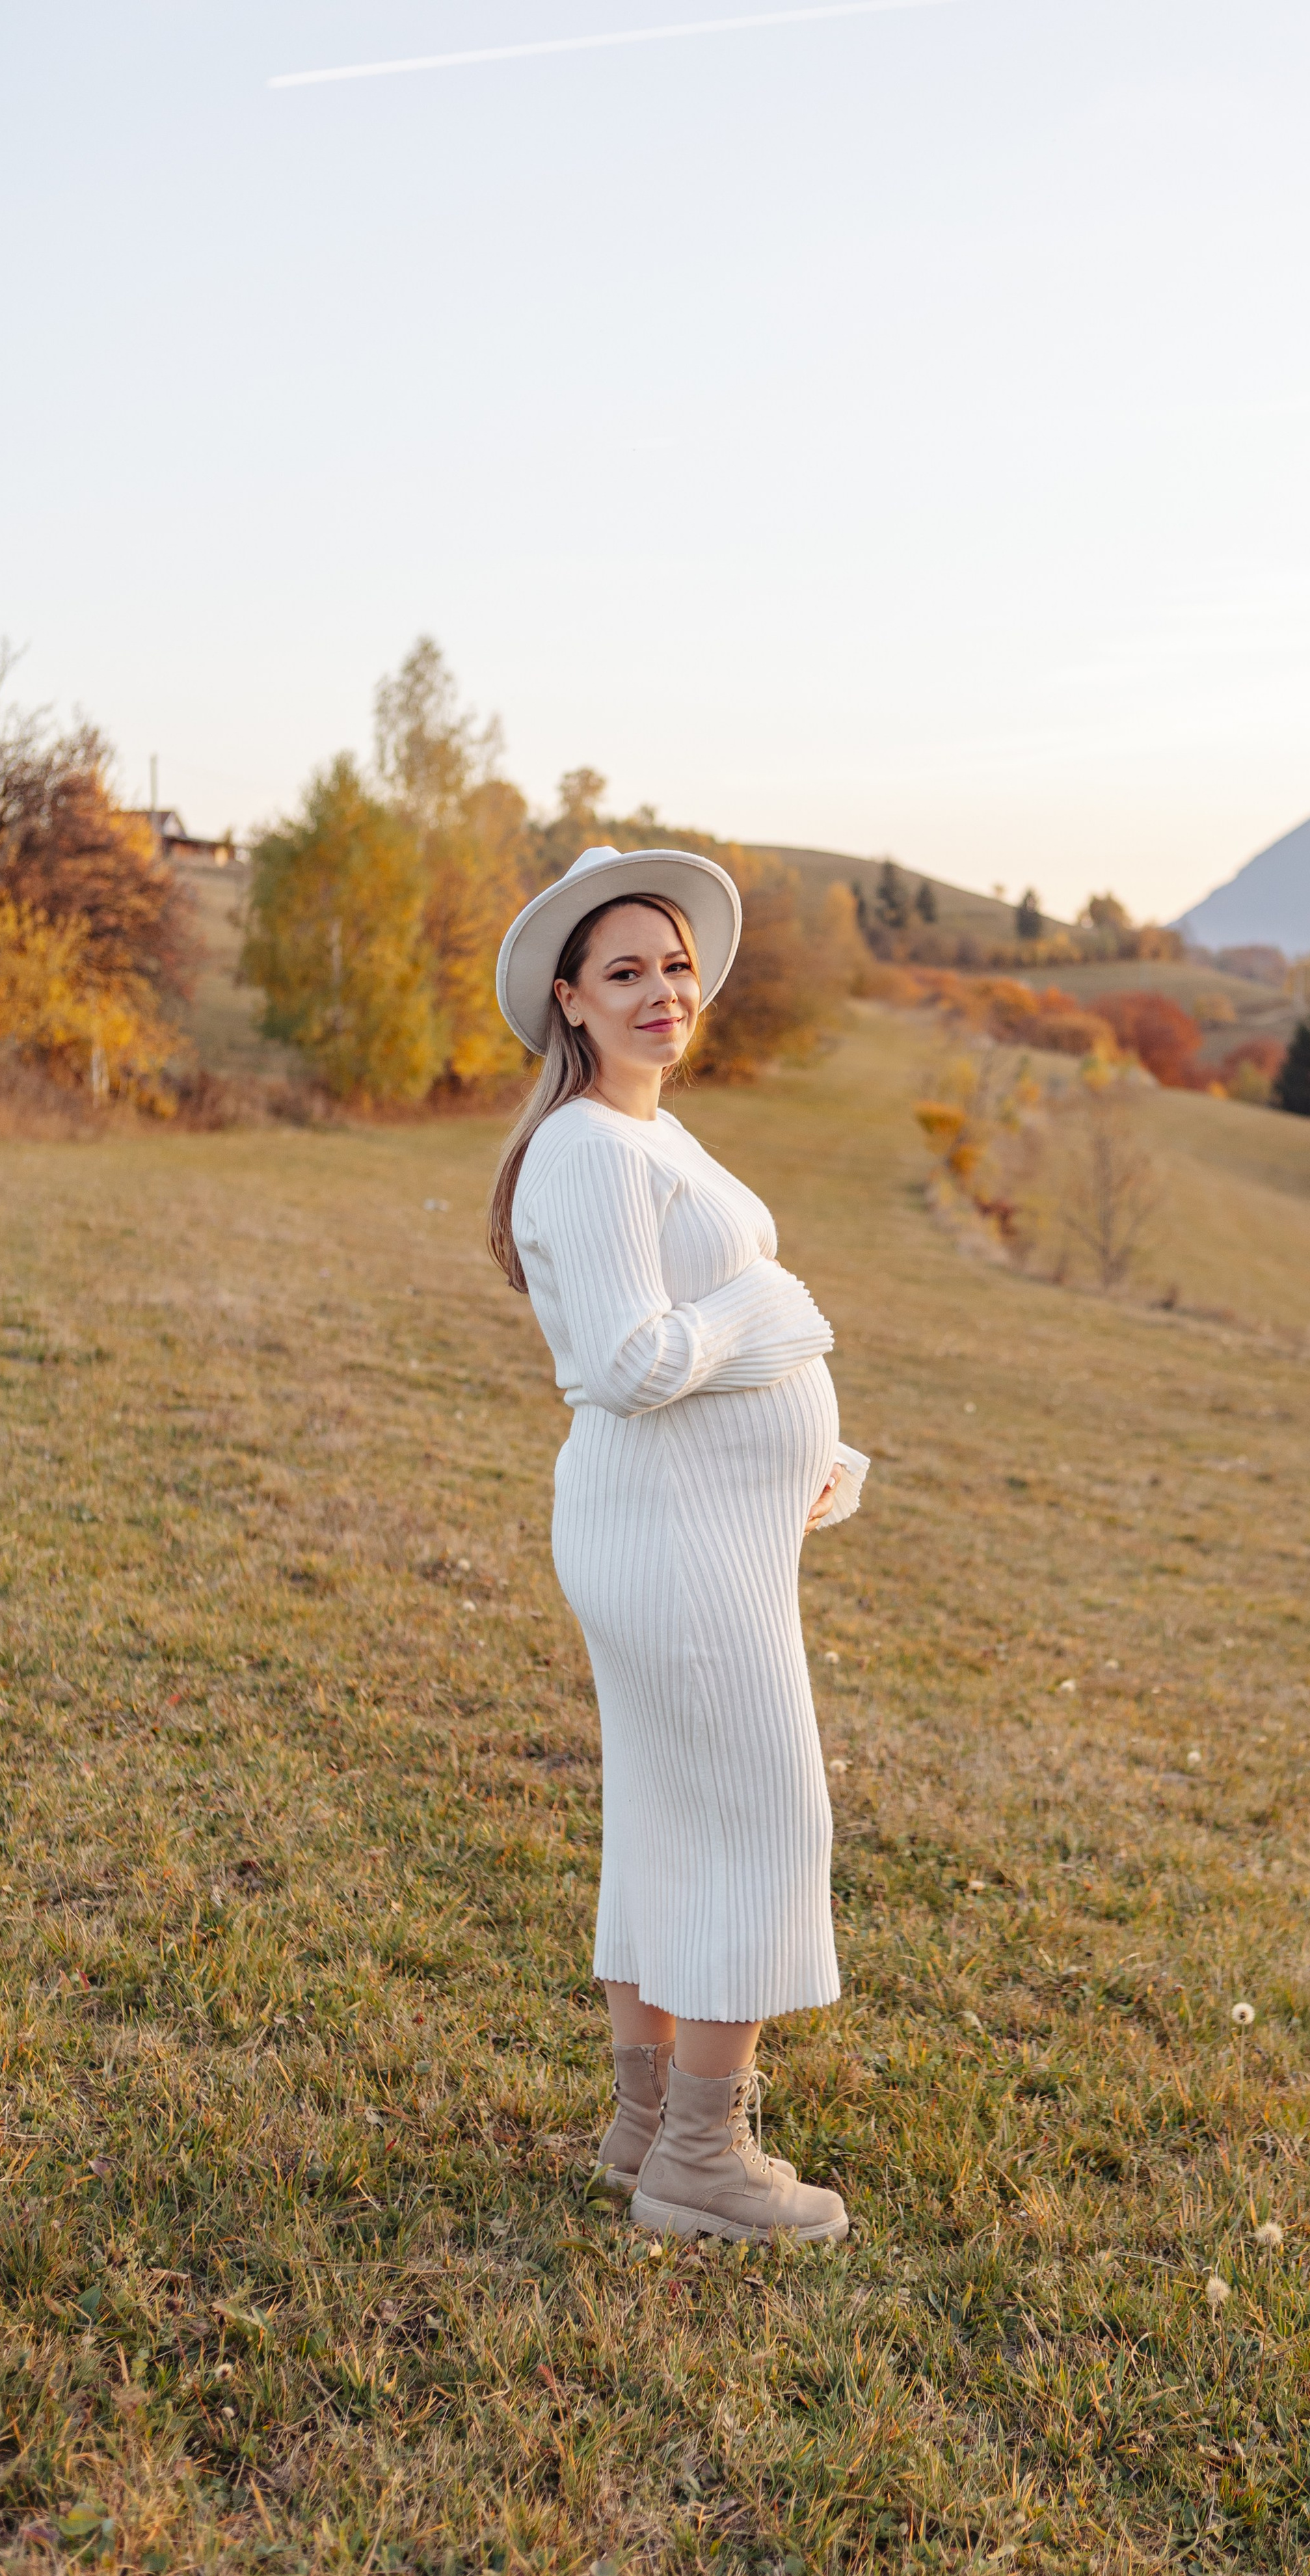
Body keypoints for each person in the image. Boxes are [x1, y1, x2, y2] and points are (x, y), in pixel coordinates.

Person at [485, 844, 867, 2243]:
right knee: (756, 1817)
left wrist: (810, 1447)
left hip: (697, 1526)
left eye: (677, 966)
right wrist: (774, 1317)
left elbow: (692, 1329)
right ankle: (704, 2159)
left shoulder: (648, 1131)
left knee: (667, 1815)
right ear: (570, 998)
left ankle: (646, 2128)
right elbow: (635, 1361)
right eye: (626, 971)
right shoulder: (589, 1148)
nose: (663, 991)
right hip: (670, 1536)